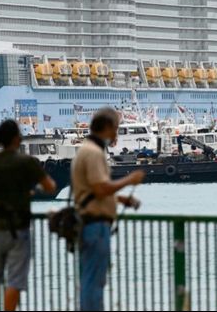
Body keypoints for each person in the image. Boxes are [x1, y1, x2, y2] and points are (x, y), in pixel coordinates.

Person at [0, 119, 57, 311]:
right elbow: (50, 186)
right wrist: (29, 190)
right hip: (18, 229)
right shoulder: (26, 162)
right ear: (16, 138)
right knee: (14, 281)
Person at [72, 108, 145, 311]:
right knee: (94, 281)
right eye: (116, 129)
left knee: (92, 279)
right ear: (107, 127)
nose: (116, 134)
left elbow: (92, 190)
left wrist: (120, 199)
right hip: (95, 226)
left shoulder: (86, 149)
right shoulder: (94, 153)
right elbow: (100, 187)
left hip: (90, 224)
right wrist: (130, 180)